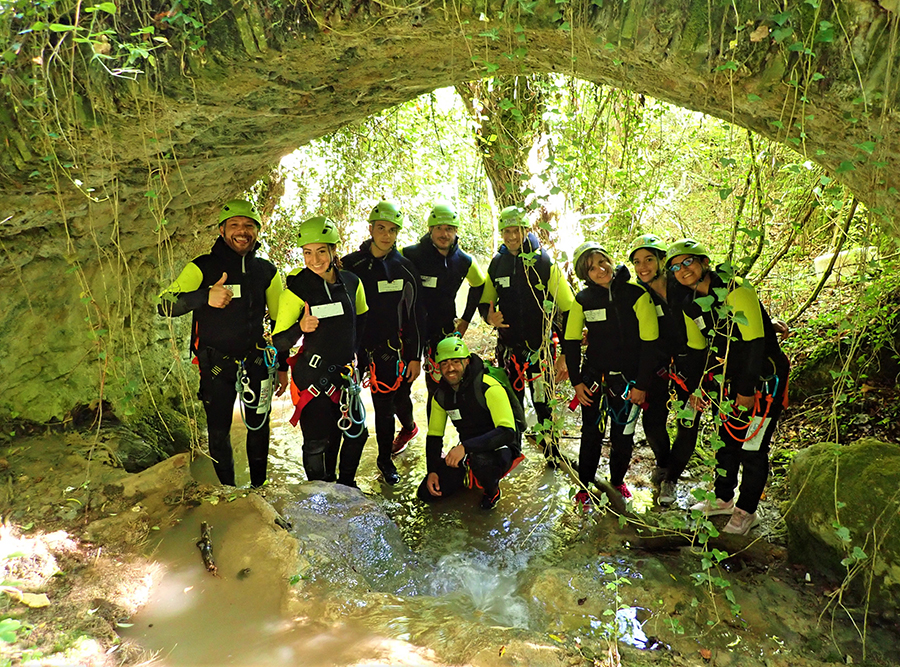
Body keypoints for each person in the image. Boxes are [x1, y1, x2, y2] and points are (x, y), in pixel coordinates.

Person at [158, 199, 288, 488]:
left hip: (256, 361)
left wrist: (282, 365)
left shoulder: (266, 271)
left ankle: (258, 490)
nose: (242, 231)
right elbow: (164, 305)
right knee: (218, 433)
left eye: (249, 225)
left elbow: (280, 322)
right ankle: (229, 492)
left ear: (257, 230)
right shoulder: (203, 266)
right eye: (235, 225)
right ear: (221, 230)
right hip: (216, 365)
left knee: (259, 428)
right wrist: (205, 296)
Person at [666, 238, 789, 534]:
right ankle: (722, 498)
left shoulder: (736, 289)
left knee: (752, 446)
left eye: (688, 262)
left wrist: (746, 391)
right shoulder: (689, 304)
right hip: (729, 378)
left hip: (764, 379)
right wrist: (696, 388)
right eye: (675, 267)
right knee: (726, 439)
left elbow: (754, 345)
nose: (683, 270)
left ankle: (746, 511)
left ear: (704, 263)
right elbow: (699, 351)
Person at [271, 216, 369, 488]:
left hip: (344, 375)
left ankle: (346, 488)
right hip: (313, 377)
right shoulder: (296, 290)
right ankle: (320, 492)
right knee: (317, 442)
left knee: (355, 434)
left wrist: (360, 358)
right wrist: (299, 329)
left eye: (321, 252)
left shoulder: (351, 282)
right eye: (307, 253)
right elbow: (278, 342)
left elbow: (361, 320)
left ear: (334, 250)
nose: (314, 260)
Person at [563, 242, 660, 506]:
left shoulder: (635, 294)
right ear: (585, 274)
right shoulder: (582, 300)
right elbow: (570, 341)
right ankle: (584, 485)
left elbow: (650, 342)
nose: (600, 269)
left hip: (629, 381)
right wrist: (576, 382)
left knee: (623, 435)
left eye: (602, 262)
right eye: (591, 268)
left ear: (610, 260)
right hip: (594, 378)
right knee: (591, 432)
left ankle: (617, 481)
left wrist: (642, 384)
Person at [479, 205, 574, 465]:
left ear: (526, 230)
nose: (511, 237)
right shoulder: (498, 264)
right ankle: (513, 451)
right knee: (512, 401)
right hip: (510, 349)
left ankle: (552, 452)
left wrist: (566, 352)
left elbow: (568, 307)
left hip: (541, 349)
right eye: (506, 232)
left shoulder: (543, 261)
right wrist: (489, 317)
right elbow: (485, 300)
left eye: (516, 231)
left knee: (543, 403)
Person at [342, 201, 424, 485]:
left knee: (385, 407)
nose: (386, 235)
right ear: (370, 229)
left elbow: (414, 316)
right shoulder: (350, 265)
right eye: (381, 228)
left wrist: (415, 357)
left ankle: (384, 459)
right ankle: (342, 470)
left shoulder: (404, 269)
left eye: (392, 230)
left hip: (388, 349)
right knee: (347, 406)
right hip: (354, 348)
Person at [628, 234, 707, 505]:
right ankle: (664, 464)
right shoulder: (638, 293)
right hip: (658, 366)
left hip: (693, 364)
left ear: (662, 260)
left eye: (649, 259)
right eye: (637, 262)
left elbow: (720, 306)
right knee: (652, 422)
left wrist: (766, 323)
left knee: (688, 421)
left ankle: (671, 479)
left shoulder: (684, 285)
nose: (643, 267)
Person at [401, 203, 486, 426]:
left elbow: (479, 286)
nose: (444, 233)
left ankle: (436, 438)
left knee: (438, 388)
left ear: (456, 231)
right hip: (410, 329)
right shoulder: (411, 254)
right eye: (439, 228)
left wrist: (466, 320)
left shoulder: (464, 261)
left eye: (450, 228)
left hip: (442, 331)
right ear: (430, 229)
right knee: (400, 388)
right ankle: (409, 427)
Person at [417, 336, 523, 510]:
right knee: (427, 494)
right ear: (438, 368)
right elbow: (434, 436)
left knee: (481, 462)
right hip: (468, 448)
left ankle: (492, 491)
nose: (450, 368)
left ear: (466, 361)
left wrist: (465, 448)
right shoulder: (441, 396)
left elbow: (507, 432)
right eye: (444, 363)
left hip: (501, 445)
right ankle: (465, 476)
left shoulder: (488, 386)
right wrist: (433, 471)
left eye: (455, 362)